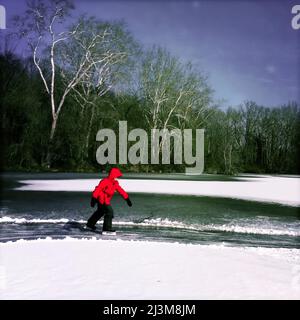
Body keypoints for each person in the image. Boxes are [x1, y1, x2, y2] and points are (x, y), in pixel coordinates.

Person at [86, 167, 132, 232]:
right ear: (113, 175)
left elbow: (121, 191)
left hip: (106, 200)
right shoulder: (104, 181)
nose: (117, 177)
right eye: (116, 176)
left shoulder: (115, 183)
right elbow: (98, 189)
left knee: (100, 212)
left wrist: (127, 199)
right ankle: (106, 228)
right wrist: (93, 199)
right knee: (109, 212)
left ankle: (90, 224)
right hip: (101, 199)